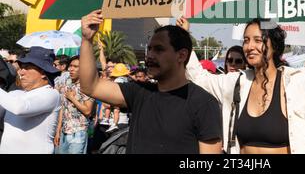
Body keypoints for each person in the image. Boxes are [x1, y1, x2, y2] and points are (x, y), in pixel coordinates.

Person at [181, 4, 305, 154]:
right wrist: (184, 35)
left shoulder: (303, 82)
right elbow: (199, 78)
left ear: (274, 45)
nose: (249, 47)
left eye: (258, 40)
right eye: (246, 40)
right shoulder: (237, 83)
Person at [79, 10, 223, 154]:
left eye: (159, 50)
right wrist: (87, 39)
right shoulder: (140, 92)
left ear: (181, 55)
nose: (150, 56)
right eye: (150, 49)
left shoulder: (204, 103)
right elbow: (91, 86)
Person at [0, 46, 60, 153]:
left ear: (43, 72)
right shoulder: (15, 94)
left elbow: (19, 108)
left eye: (27, 67)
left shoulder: (51, 94)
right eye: (21, 67)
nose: (21, 72)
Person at [54, 55, 95, 154]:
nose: (71, 69)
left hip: (78, 132)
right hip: (64, 131)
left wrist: (72, 98)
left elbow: (88, 111)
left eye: (76, 67)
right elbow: (62, 108)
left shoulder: (87, 86)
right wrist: (58, 131)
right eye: (71, 66)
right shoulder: (66, 83)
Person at [105, 63, 130, 133]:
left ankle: (114, 124)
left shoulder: (117, 81)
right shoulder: (127, 81)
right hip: (124, 120)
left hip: (120, 121)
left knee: (116, 110)